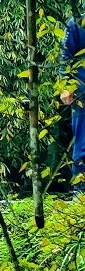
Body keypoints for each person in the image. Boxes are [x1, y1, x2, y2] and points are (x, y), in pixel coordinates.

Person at [60, 10, 85, 196]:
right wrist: (65, 85)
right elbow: (66, 54)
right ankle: (80, 192)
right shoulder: (77, 21)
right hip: (83, 93)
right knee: (82, 145)